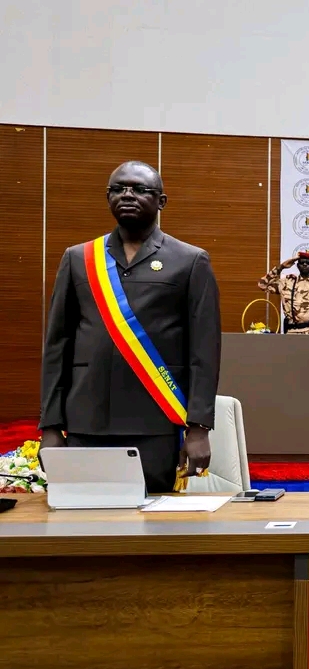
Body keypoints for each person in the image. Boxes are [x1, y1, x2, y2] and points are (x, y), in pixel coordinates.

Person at [39, 161, 221, 493]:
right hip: (86, 419)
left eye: (139, 189)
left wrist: (198, 427)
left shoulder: (190, 260)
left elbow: (203, 352)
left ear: (161, 201)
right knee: (80, 518)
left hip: (153, 421)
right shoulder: (79, 258)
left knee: (150, 525)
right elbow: (56, 347)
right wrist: (50, 426)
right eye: (118, 189)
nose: (127, 195)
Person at [258, 251, 309, 336]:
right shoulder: (286, 283)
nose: (305, 264)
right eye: (302, 262)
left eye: (308, 262)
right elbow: (262, 285)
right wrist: (281, 267)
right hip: (292, 333)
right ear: (297, 265)